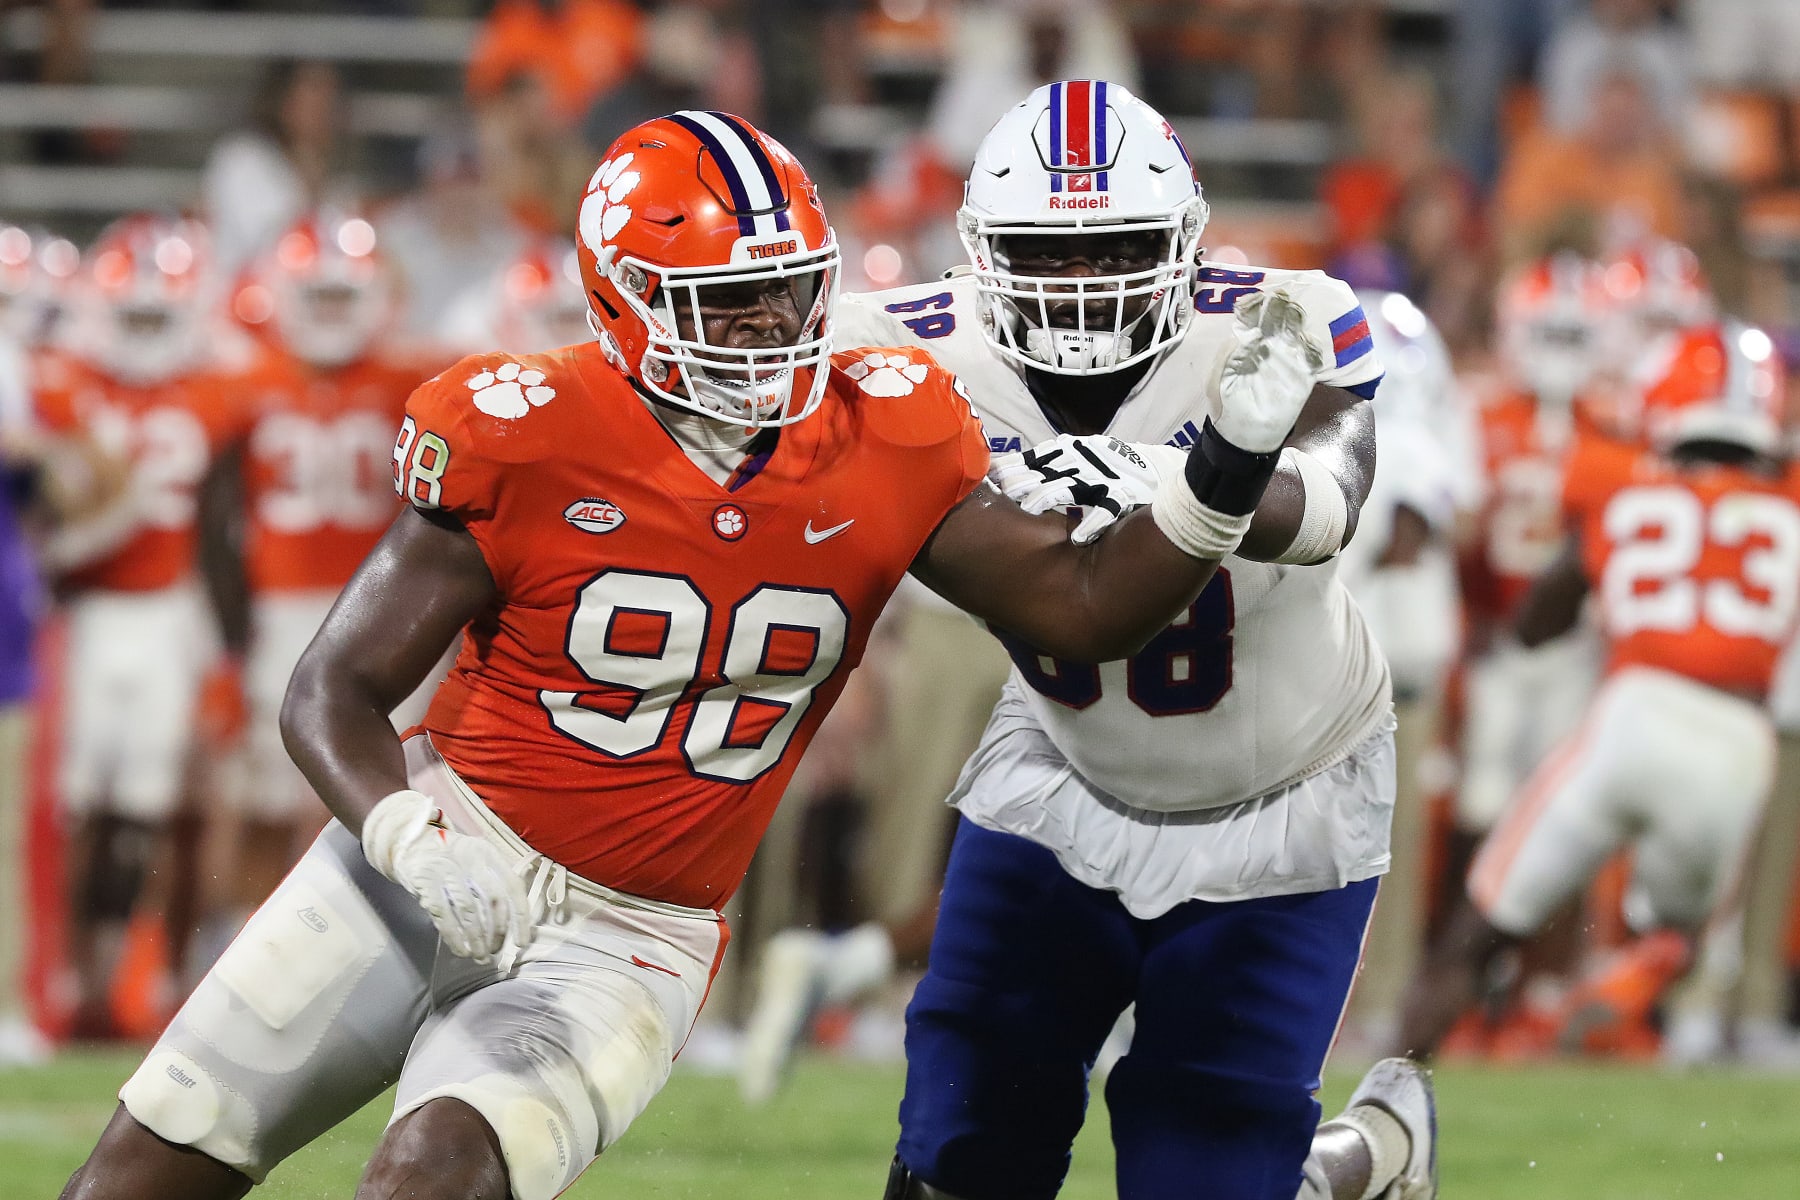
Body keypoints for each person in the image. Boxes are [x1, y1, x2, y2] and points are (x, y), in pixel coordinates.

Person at [59, 108, 1302, 1200]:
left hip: (632, 937)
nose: (769, 328)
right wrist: (398, 829)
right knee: (150, 1165)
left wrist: (1223, 473)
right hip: (429, 862)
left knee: (430, 1178)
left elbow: (1085, 610)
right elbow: (332, 687)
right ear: (624, 298)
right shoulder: (524, 431)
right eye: (729, 301)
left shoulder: (888, 431)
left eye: (789, 290)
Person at [753, 79, 1432, 1200]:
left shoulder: (1274, 322)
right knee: (960, 1152)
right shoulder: (899, 352)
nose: (1083, 286)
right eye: (1046, 252)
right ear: (982, 250)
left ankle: (1356, 1166)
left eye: (1116, 247)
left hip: (1282, 794)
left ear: (1182, 244)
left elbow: (1333, 503)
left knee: (1202, 1170)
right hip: (1064, 774)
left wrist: (1197, 475)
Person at [1396, 320, 1797, 1061]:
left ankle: (1387, 1097)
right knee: (1675, 929)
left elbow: (1535, 624)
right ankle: (1630, 982)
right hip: (1741, 745)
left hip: (1636, 715)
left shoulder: (1622, 484)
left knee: (1482, 924)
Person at [32, 215, 244, 1039]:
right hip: (80, 612)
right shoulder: (58, 378)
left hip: (167, 613)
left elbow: (225, 522)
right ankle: (70, 978)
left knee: (146, 808)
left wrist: (225, 640)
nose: (146, 332)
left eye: (161, 316)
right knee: (79, 809)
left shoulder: (221, 386)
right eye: (136, 314)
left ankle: (125, 981)